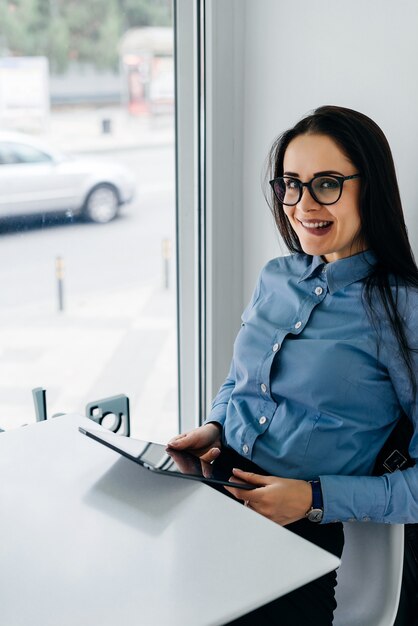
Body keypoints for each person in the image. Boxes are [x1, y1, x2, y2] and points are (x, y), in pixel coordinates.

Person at [167, 105, 418, 625]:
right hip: (214, 490)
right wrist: (216, 423)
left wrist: (314, 498)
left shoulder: (405, 311)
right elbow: (243, 379)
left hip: (299, 534)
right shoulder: (275, 277)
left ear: (370, 188)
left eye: (327, 183)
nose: (302, 204)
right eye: (290, 184)